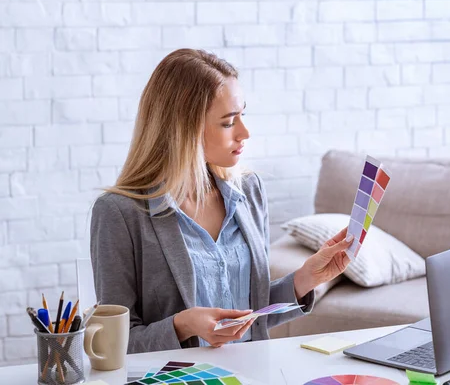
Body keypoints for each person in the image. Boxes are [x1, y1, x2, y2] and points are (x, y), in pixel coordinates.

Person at [90, 48, 354, 353]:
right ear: (183, 130)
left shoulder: (248, 191)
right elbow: (115, 346)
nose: (244, 132)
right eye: (228, 122)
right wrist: (183, 325)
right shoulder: (118, 213)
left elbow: (250, 315)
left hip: (253, 373)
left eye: (242, 114)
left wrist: (305, 279)